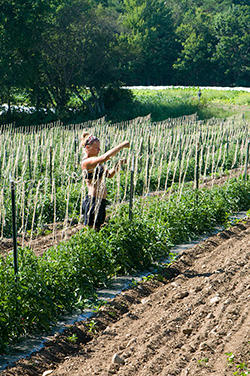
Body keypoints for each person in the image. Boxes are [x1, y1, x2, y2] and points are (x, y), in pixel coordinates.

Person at [81, 132, 130, 230]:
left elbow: (109, 175)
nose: (99, 150)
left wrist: (118, 164)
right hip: (93, 201)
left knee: (97, 228)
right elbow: (104, 158)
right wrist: (121, 145)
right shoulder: (87, 162)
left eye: (99, 147)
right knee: (92, 230)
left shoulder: (97, 164)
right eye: (96, 147)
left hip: (100, 200)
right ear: (88, 147)